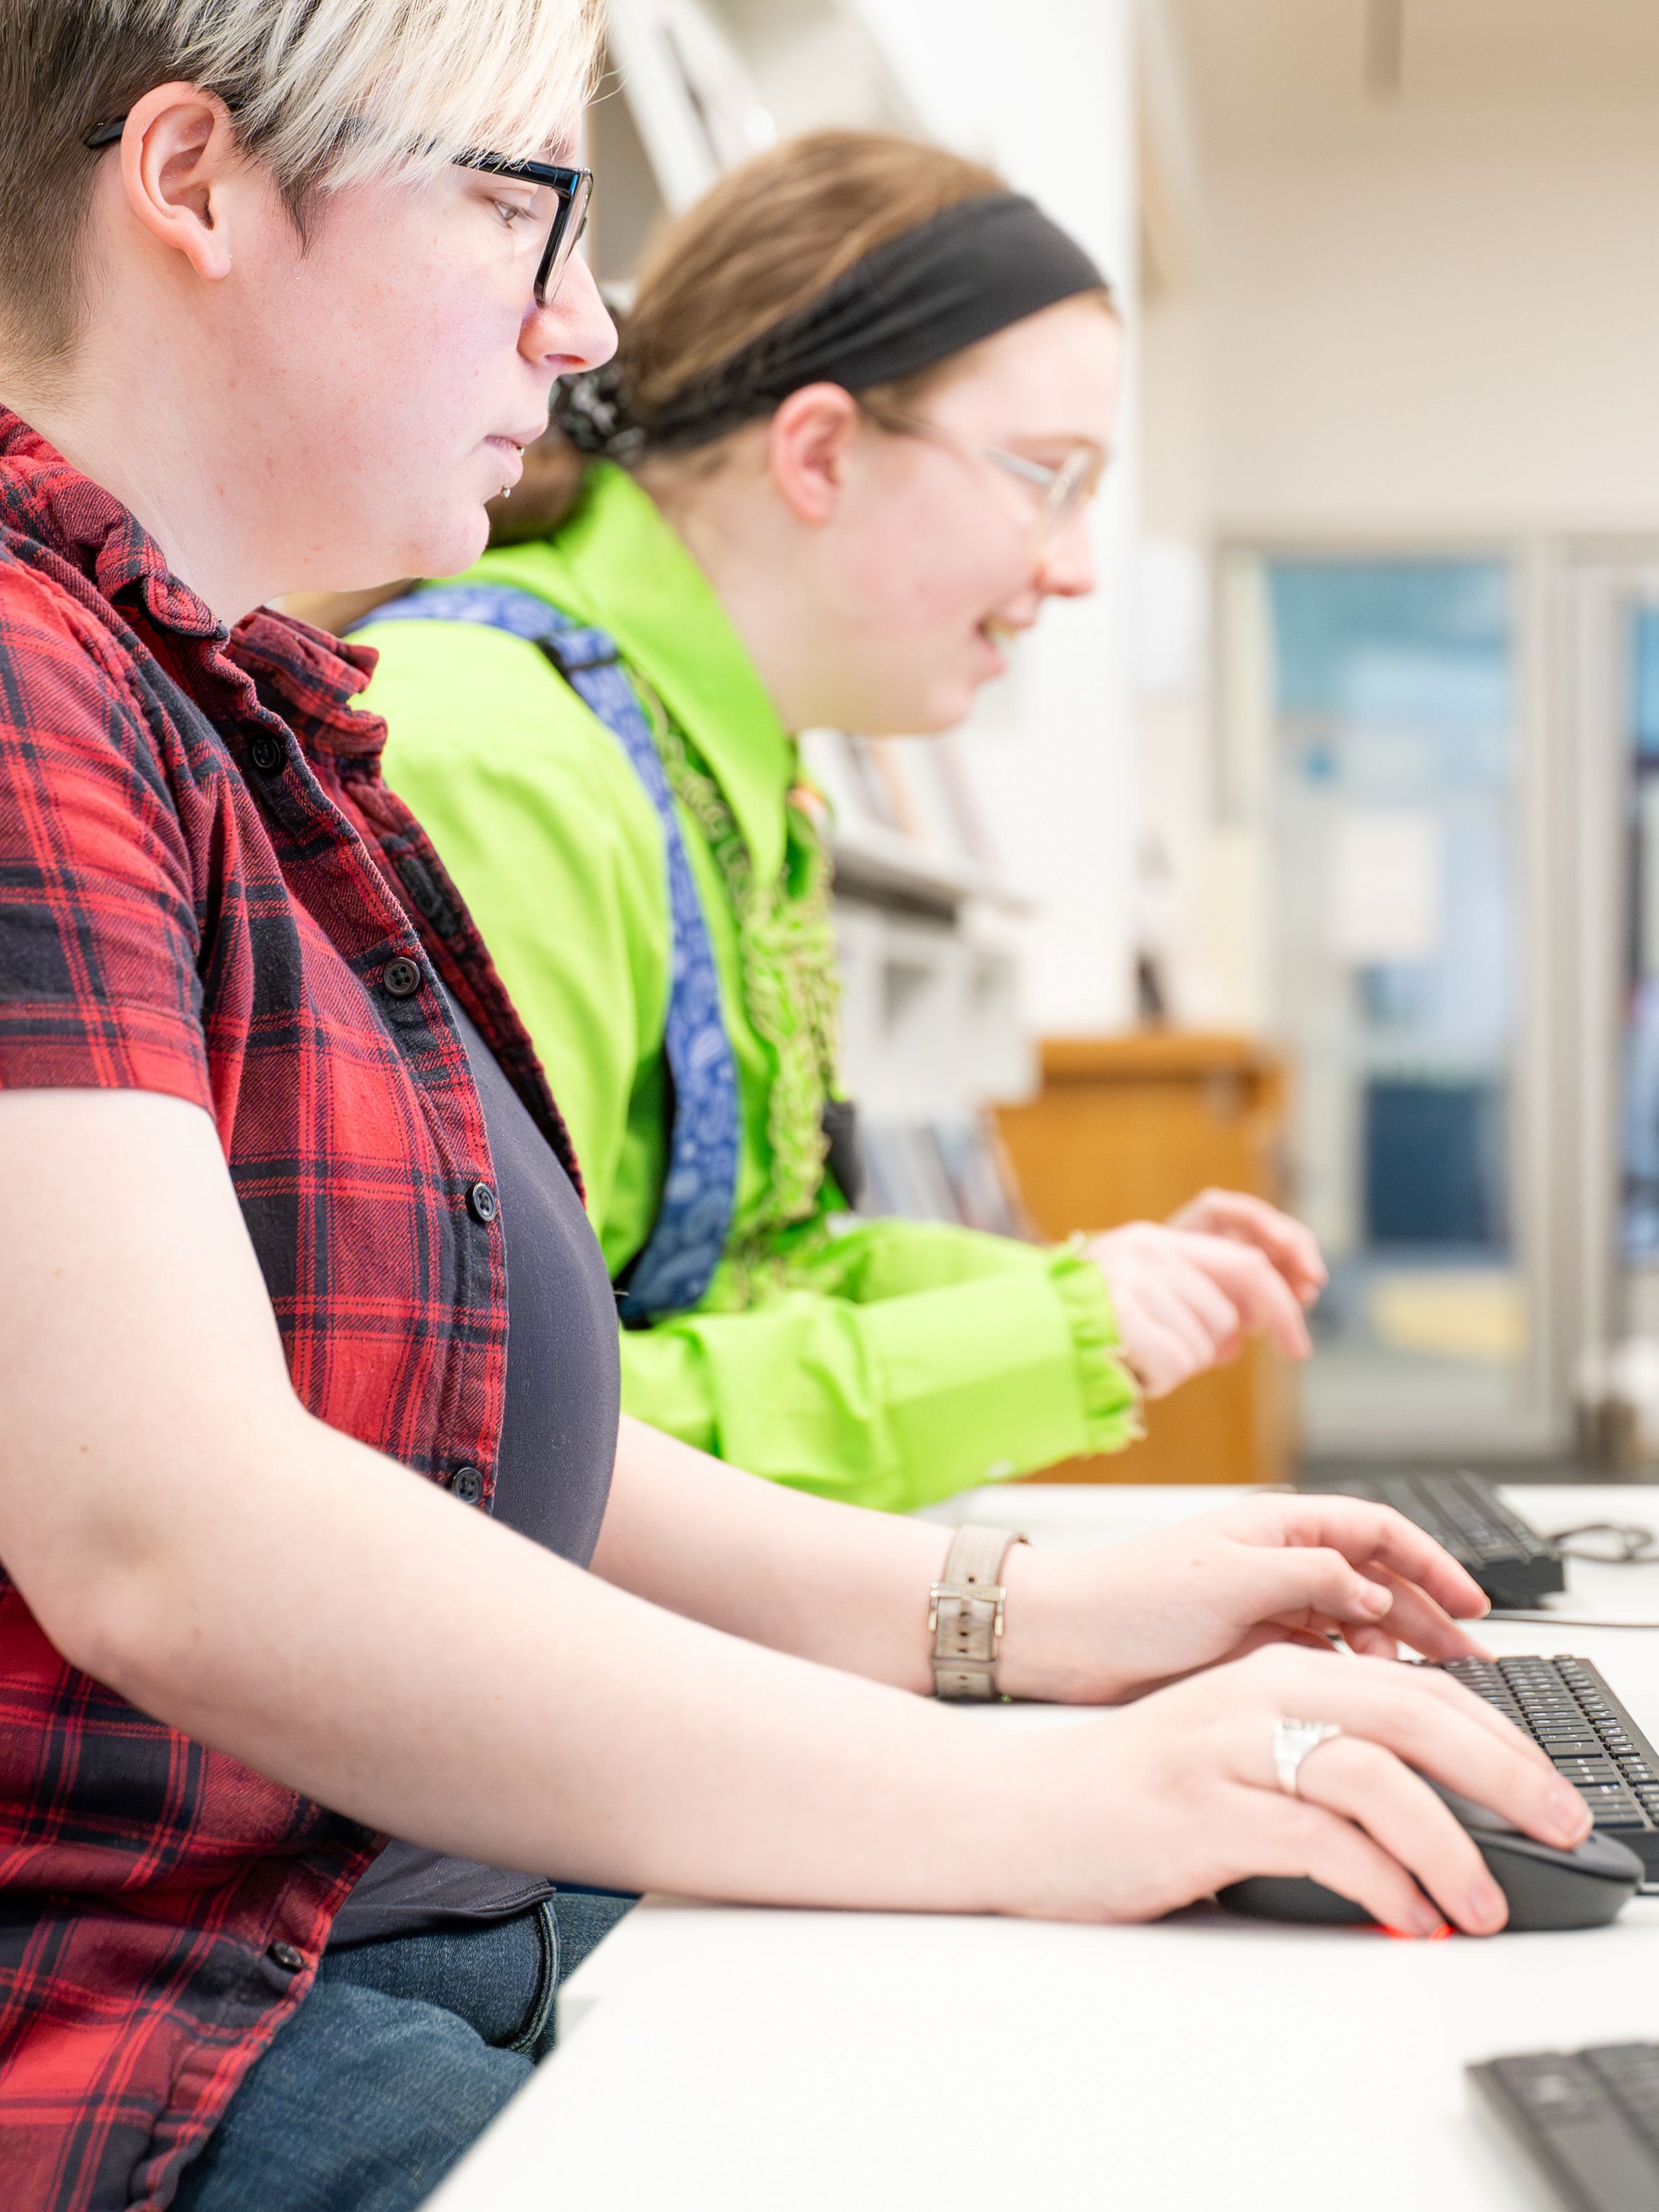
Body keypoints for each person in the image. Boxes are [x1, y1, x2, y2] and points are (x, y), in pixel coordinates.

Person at [0, 0, 1582, 2212]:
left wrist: (1025, 1624)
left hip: (188, 1988)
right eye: (517, 201)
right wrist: (1050, 1792)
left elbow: (476, 1462)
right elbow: (192, 1541)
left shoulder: (227, 712)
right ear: (192, 183)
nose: (588, 322)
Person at [352, 132, 1321, 1511]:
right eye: (1049, 478)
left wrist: (1093, 1288)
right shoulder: (503, 761)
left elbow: (752, 1266)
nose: (1080, 568)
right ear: (817, 451)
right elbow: (476, 1420)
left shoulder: (729, 770)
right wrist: (1050, 1339)